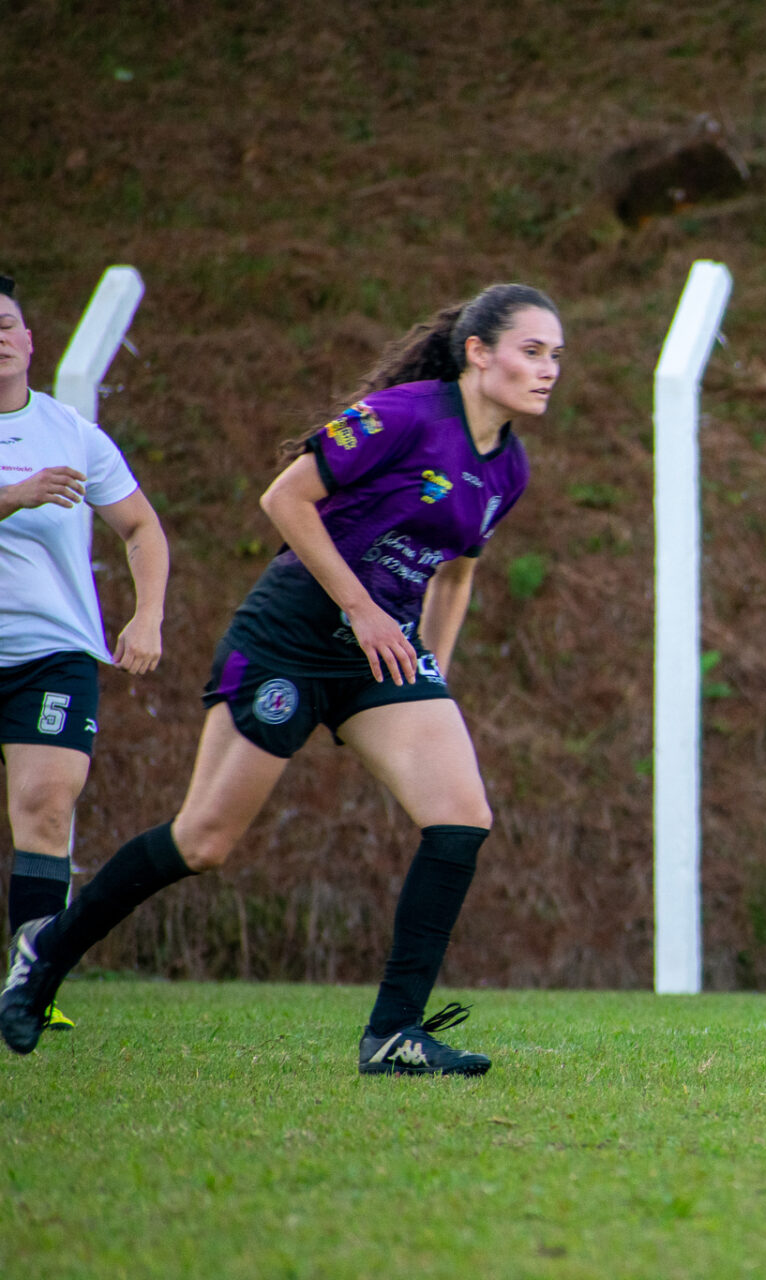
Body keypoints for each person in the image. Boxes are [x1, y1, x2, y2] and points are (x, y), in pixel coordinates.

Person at [3, 283, 561, 1072]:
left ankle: (394, 1034)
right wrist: (362, 608)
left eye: (555, 356)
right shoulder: (406, 415)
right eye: (532, 351)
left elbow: (455, 576)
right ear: (479, 352)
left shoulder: (509, 468)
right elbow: (286, 499)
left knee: (462, 816)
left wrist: (430, 678)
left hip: (381, 654)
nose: (548, 370)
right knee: (204, 840)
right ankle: (47, 954)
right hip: (291, 635)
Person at [0, 274, 169, 1032]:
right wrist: (15, 494)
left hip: (52, 654)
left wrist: (147, 617)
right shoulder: (36, 470)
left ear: (31, 341)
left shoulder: (71, 430)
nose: (0, 335)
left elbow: (141, 528)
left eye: (8, 322)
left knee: (44, 806)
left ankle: (29, 985)